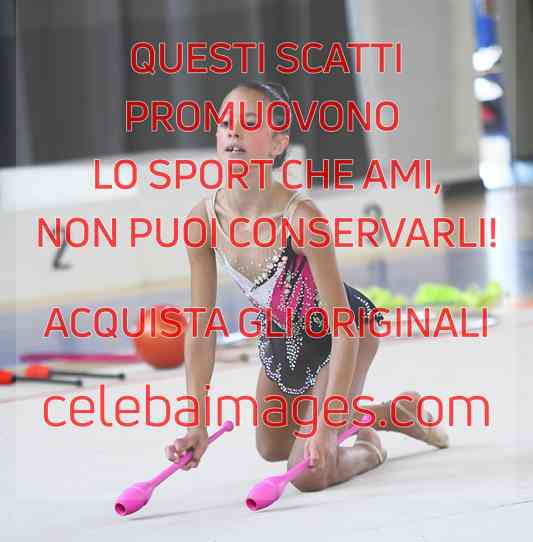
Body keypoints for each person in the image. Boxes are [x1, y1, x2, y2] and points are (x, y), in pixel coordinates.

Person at [165, 81, 448, 493]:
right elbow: (201, 329)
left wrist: (328, 428)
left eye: (249, 122)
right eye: (226, 123)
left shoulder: (301, 218)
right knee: (272, 447)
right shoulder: (202, 221)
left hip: (344, 333)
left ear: (278, 143)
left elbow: (344, 328)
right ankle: (390, 413)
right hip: (284, 336)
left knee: (308, 470)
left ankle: (368, 447)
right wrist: (196, 422)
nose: (234, 131)